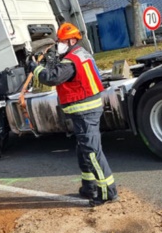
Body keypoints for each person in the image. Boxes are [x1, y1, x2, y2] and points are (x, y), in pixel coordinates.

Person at [32, 23, 118, 206]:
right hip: (87, 109)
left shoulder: (71, 60)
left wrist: (36, 68)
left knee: (92, 152)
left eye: (61, 41)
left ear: (71, 40)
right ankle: (89, 187)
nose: (59, 44)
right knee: (84, 149)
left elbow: (52, 78)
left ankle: (106, 192)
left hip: (85, 111)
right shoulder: (80, 54)